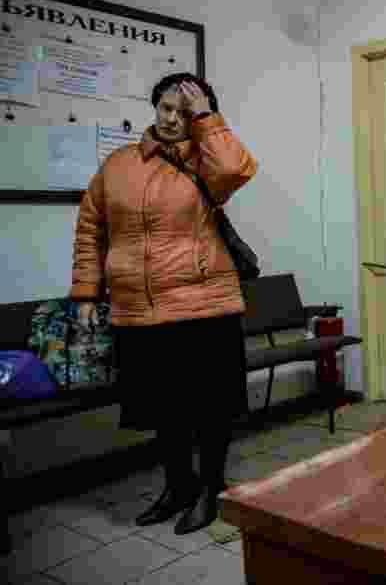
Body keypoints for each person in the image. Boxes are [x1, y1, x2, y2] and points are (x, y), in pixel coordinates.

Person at [70, 73, 257, 535]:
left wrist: (207, 118)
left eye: (183, 110)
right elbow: (90, 229)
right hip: (139, 310)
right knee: (165, 412)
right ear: (154, 109)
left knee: (211, 411)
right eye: (165, 108)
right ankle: (178, 487)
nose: (172, 118)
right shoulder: (117, 166)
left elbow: (237, 168)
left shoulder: (209, 163)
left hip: (204, 307)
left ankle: (210, 490)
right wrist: (86, 291)